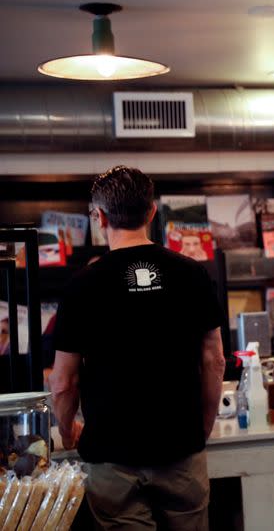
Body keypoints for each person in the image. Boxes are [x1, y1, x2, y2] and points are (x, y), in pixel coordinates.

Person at [49, 165, 226, 530]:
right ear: (151, 212)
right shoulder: (192, 273)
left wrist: (66, 432)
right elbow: (215, 361)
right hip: (181, 450)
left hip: (112, 458)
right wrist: (202, 426)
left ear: (99, 217)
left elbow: (63, 382)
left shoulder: (82, 286)